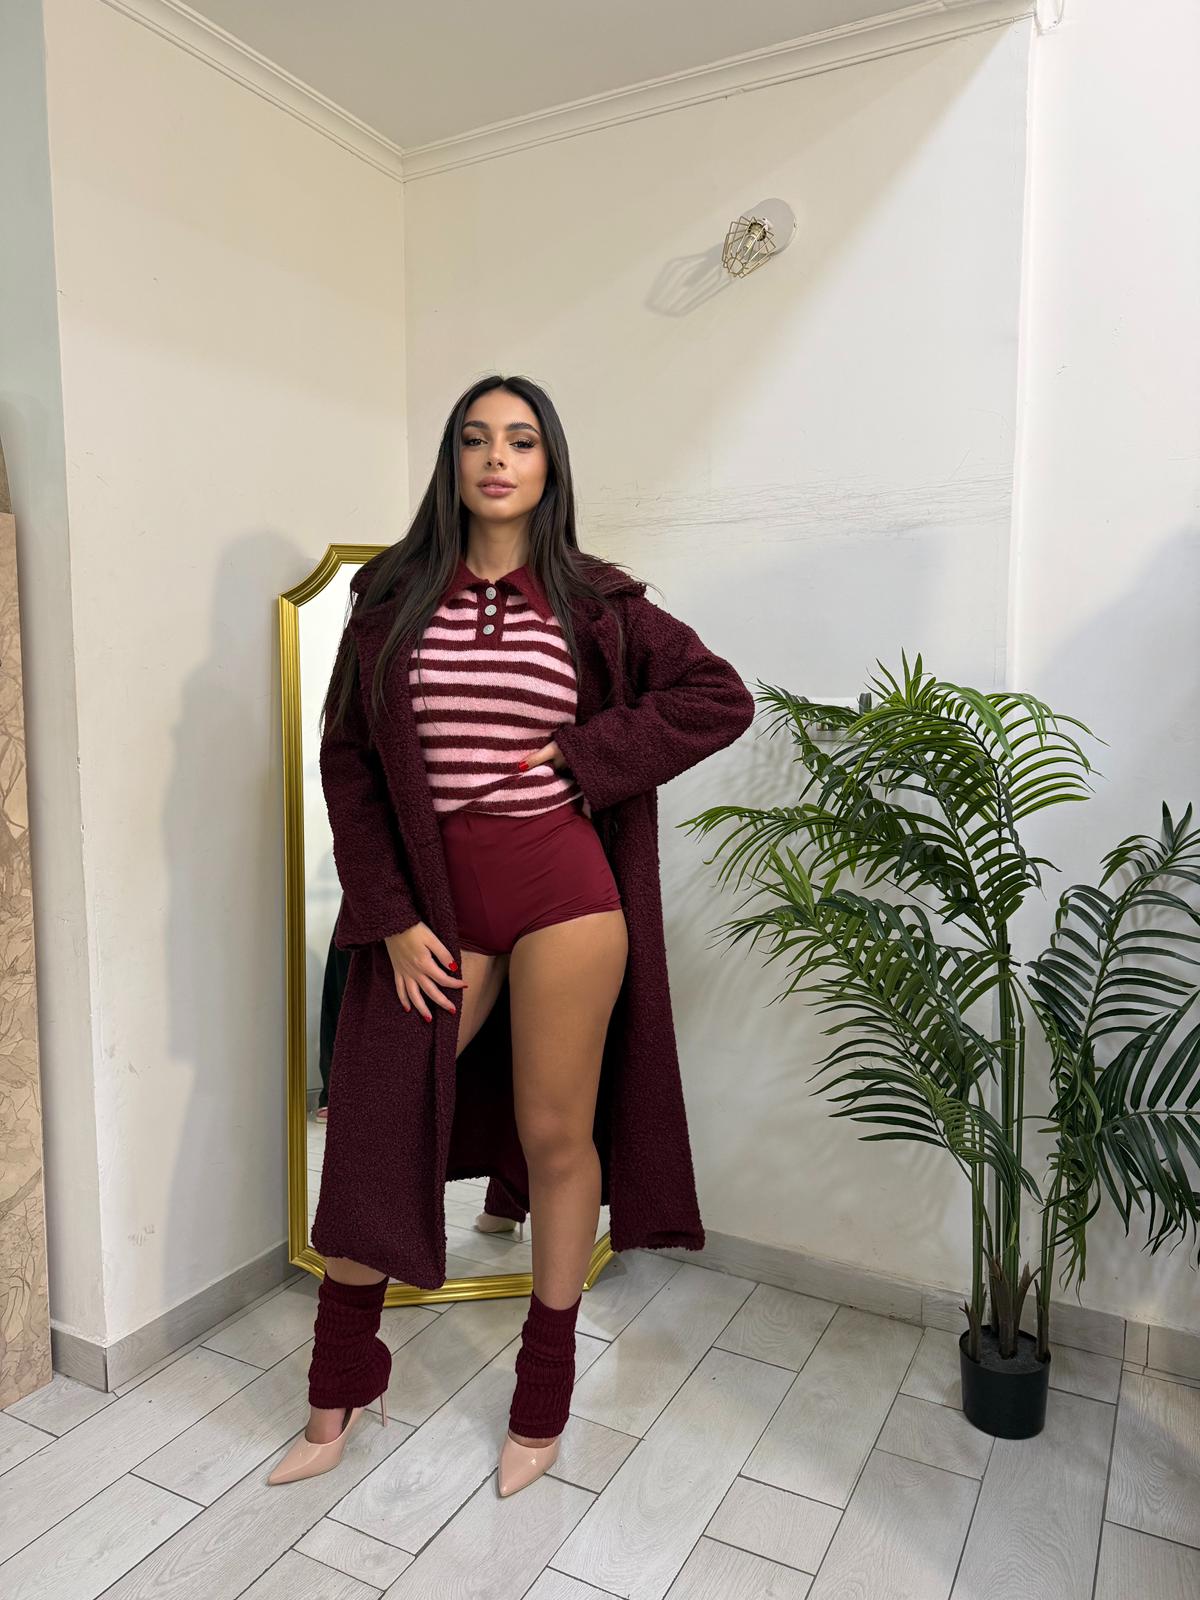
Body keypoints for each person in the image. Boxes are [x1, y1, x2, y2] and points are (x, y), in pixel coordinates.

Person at [268, 374, 754, 1495]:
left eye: (522, 440)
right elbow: (348, 761)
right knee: (377, 1129)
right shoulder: (392, 597)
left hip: (564, 892)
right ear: (453, 461)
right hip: (435, 906)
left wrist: (587, 755)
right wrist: (390, 917)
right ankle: (340, 1384)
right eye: (477, 438)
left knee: (555, 1134)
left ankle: (543, 1391)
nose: (498, 457)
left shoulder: (597, 602)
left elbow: (716, 697)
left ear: (548, 465)